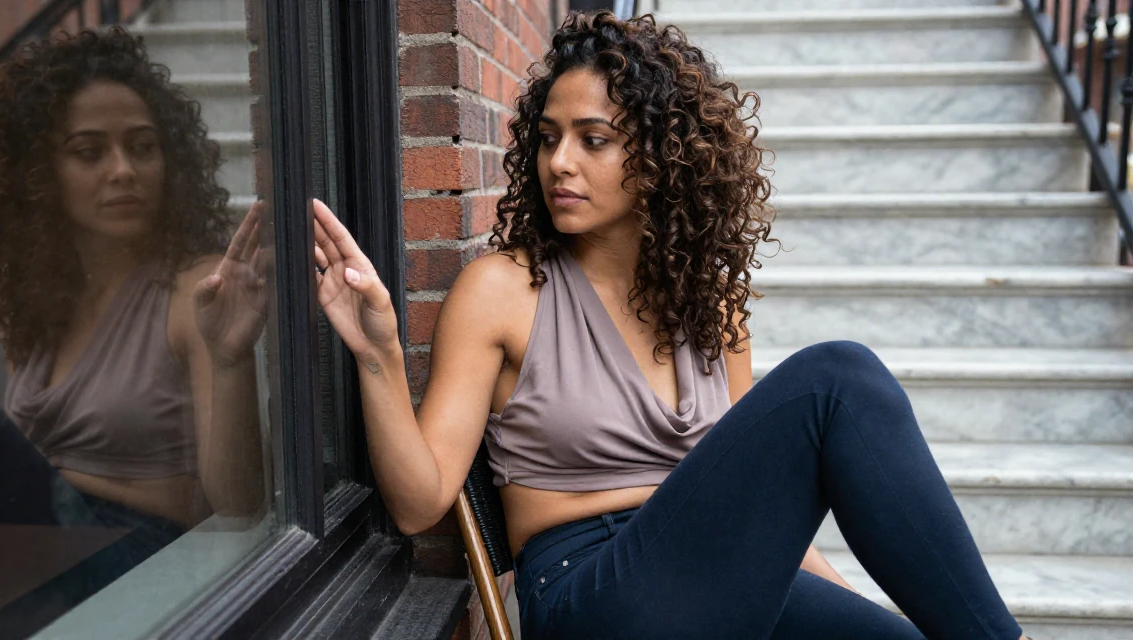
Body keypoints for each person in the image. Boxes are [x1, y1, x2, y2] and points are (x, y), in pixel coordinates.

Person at [312, 11, 1035, 640]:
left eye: (593, 140)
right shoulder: (503, 290)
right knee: (839, 380)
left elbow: (753, 506)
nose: (558, 162)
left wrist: (845, 606)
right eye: (549, 137)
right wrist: (377, 351)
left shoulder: (714, 313)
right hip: (591, 594)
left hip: (713, 580)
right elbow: (418, 504)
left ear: (661, 158)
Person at [0, 28, 267, 637]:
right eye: (89, 152)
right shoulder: (41, 304)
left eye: (143, 147)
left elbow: (239, 508)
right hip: (47, 552)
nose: (123, 170)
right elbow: (8, 495)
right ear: (40, 172)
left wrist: (229, 358)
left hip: (142, 563)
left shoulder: (195, 289)